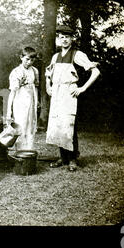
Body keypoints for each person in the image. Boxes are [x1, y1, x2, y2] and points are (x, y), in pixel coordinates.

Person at [45, 25, 100, 171]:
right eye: (61, 37)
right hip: (57, 93)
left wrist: (82, 88)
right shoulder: (55, 57)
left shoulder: (77, 55)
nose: (64, 40)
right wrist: (48, 86)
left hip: (69, 93)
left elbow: (95, 72)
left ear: (72, 39)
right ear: (58, 39)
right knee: (58, 125)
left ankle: (72, 159)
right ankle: (63, 158)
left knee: (69, 124)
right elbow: (48, 74)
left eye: (67, 37)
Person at [6, 47, 39, 151]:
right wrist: (9, 110)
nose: (29, 62)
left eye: (32, 60)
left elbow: (36, 87)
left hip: (31, 102)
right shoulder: (16, 72)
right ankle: (20, 153)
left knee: (31, 127)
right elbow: (13, 92)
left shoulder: (35, 71)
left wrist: (37, 100)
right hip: (20, 102)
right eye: (27, 59)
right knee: (21, 126)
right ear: (21, 57)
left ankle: (29, 152)